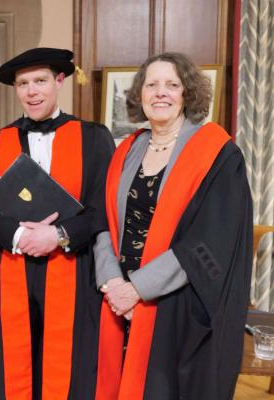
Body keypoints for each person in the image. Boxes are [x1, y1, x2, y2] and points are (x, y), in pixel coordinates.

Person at [0, 47, 115, 400]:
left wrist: (57, 235)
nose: (32, 91)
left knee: (69, 368)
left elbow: (104, 208)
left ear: (59, 81)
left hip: (74, 272)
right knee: (14, 370)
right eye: (23, 84)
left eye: (40, 81)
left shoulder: (94, 138)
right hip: (12, 271)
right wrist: (19, 235)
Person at [94, 52, 253, 400]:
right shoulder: (127, 150)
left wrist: (139, 289)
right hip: (119, 303)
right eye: (151, 85)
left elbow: (209, 240)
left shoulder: (218, 154)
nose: (160, 93)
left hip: (175, 306)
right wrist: (112, 283)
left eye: (172, 85)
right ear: (140, 94)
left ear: (188, 93)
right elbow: (103, 221)